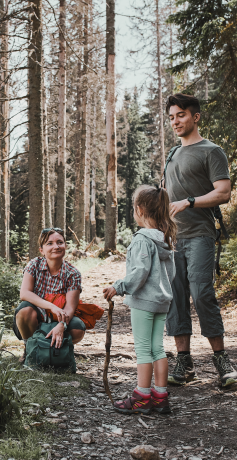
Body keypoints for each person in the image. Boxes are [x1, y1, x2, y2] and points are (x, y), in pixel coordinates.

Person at [165, 93, 236, 387]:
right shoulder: (171, 154)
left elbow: (223, 192)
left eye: (180, 115)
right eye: (171, 117)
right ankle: (185, 362)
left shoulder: (211, 151)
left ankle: (221, 360)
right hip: (172, 239)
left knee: (202, 292)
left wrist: (189, 202)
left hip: (201, 236)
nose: (175, 121)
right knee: (175, 297)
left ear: (195, 117)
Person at [103, 185, 176, 414]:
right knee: (158, 348)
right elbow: (170, 274)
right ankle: (160, 396)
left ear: (139, 209)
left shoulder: (142, 239)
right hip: (162, 301)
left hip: (144, 302)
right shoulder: (165, 238)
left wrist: (119, 286)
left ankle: (142, 397)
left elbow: (140, 272)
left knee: (144, 350)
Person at [13, 227, 86, 363]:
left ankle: (58, 349)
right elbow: (24, 293)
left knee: (78, 329)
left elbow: (70, 308)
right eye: (49, 243)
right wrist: (52, 306)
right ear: (42, 250)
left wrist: (61, 325)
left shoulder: (73, 273)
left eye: (60, 242)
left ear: (65, 245)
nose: (56, 247)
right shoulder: (34, 265)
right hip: (33, 319)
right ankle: (29, 348)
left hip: (59, 318)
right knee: (24, 310)